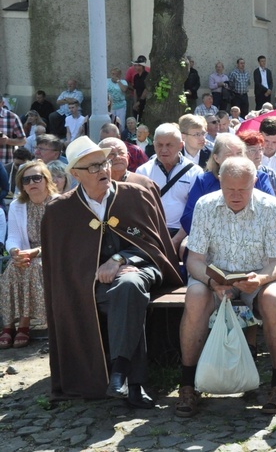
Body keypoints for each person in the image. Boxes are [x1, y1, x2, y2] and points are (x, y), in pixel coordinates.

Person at [42, 136, 181, 405]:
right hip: (94, 286)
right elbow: (62, 268)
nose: (104, 170)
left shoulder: (136, 194)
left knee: (129, 286)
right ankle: (133, 383)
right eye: (93, 167)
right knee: (125, 298)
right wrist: (90, 273)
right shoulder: (60, 210)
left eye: (104, 163)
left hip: (141, 268)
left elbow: (154, 245)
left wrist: (118, 258)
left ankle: (119, 372)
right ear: (75, 174)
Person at [176, 157, 276, 417]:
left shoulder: (270, 207)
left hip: (259, 275)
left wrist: (260, 280)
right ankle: (187, 383)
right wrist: (209, 281)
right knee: (195, 297)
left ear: (254, 183)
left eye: (243, 189)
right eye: (230, 189)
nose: (236, 195)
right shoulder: (206, 205)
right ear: (220, 183)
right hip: (214, 277)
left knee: (274, 300)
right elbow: (194, 259)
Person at [0, 161, 55, 349]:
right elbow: (13, 236)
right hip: (26, 254)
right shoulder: (17, 205)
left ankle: (24, 325)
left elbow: (61, 240)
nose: (32, 182)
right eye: (26, 179)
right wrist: (15, 251)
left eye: (37, 177)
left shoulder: (58, 203)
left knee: (32, 267)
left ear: (46, 180)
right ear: (22, 185)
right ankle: (8, 326)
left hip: (51, 255)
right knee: (13, 268)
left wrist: (36, 252)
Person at [135, 123, 203, 249]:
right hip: (151, 233)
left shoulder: (195, 172)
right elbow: (138, 209)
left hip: (184, 233)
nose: (164, 150)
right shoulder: (142, 172)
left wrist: (176, 241)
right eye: (159, 145)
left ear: (180, 145)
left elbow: (196, 211)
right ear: (153, 145)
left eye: (169, 145)